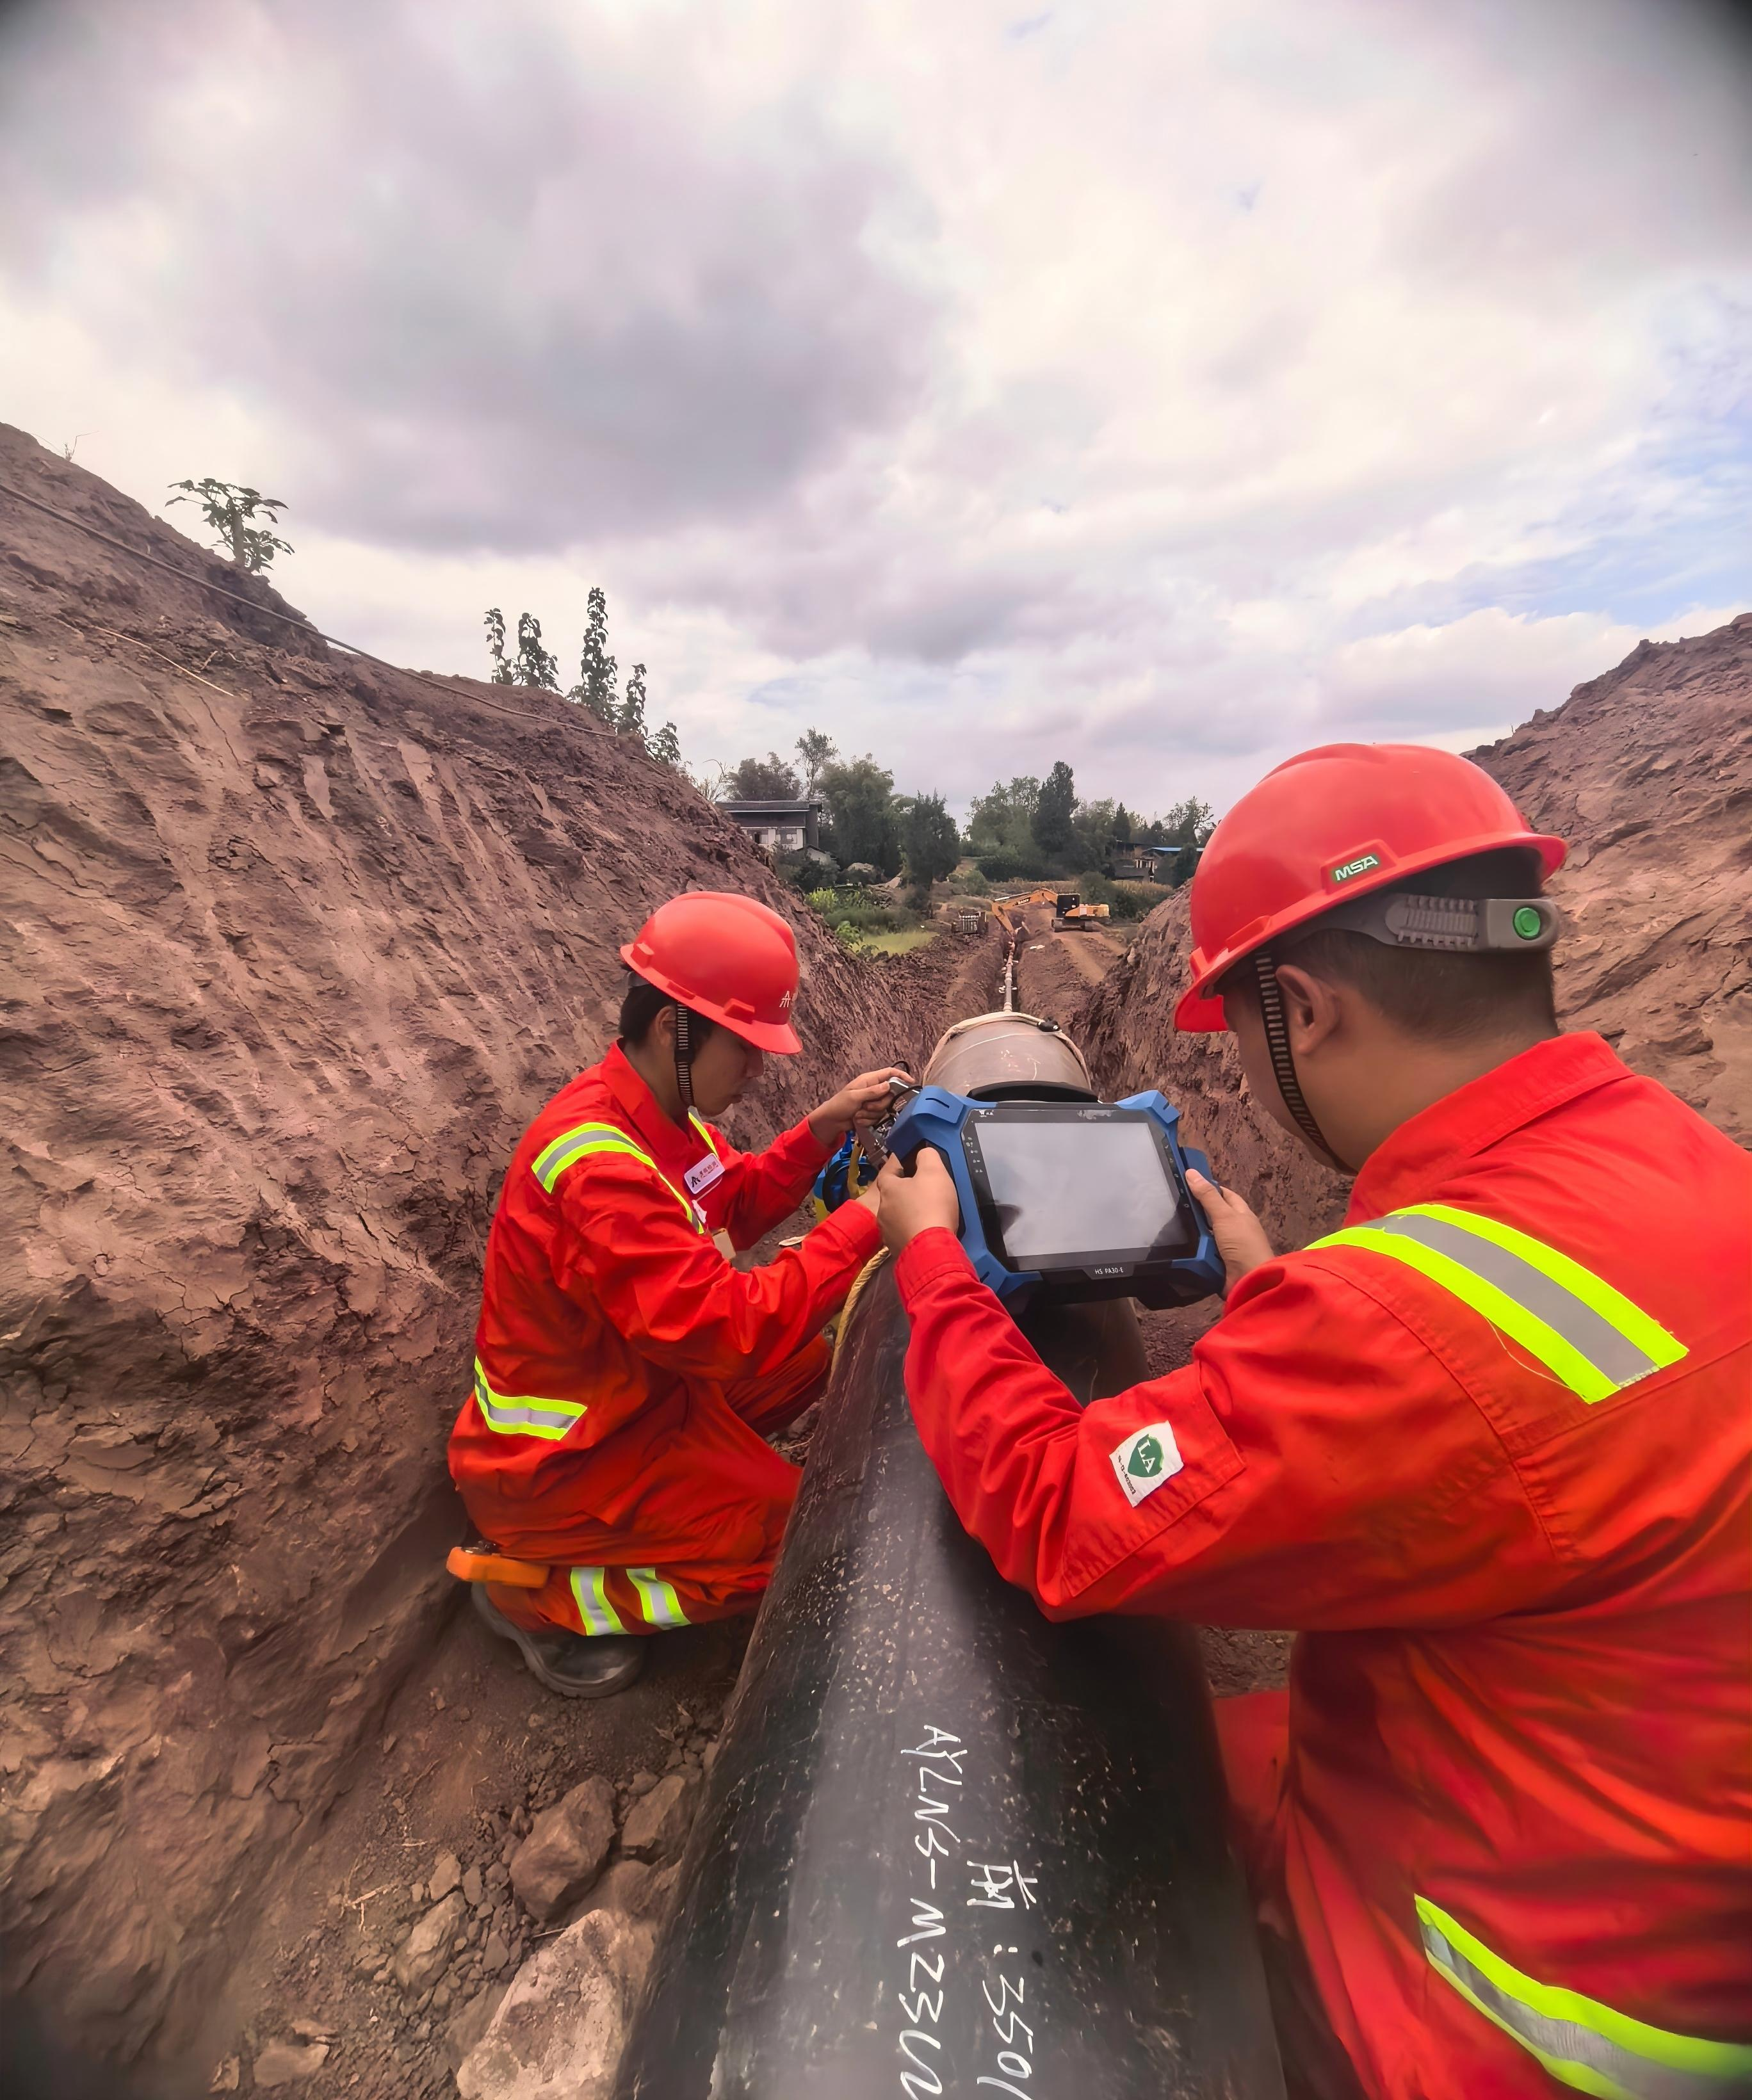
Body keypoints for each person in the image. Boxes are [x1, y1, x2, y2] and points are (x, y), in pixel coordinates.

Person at [874, 744, 1751, 2100]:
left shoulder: (1400, 1324)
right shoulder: (1693, 1167)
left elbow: (1063, 1510)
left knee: (1093, 1831)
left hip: (1500, 2023)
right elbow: (1503, 1406)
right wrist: (1285, 1301)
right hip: (1658, 1854)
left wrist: (930, 1261)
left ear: (1300, 1005)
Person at [450, 889, 905, 1698]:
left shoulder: (661, 1114)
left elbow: (730, 1199)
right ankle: (536, 1596)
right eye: (748, 1046)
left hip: (636, 1393)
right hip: (568, 1465)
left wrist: (826, 1126)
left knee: (813, 1353)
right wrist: (872, 1216)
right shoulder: (599, 1168)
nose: (760, 1068)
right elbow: (730, 1331)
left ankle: (699, 1494)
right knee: (801, 1539)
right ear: (673, 1028)